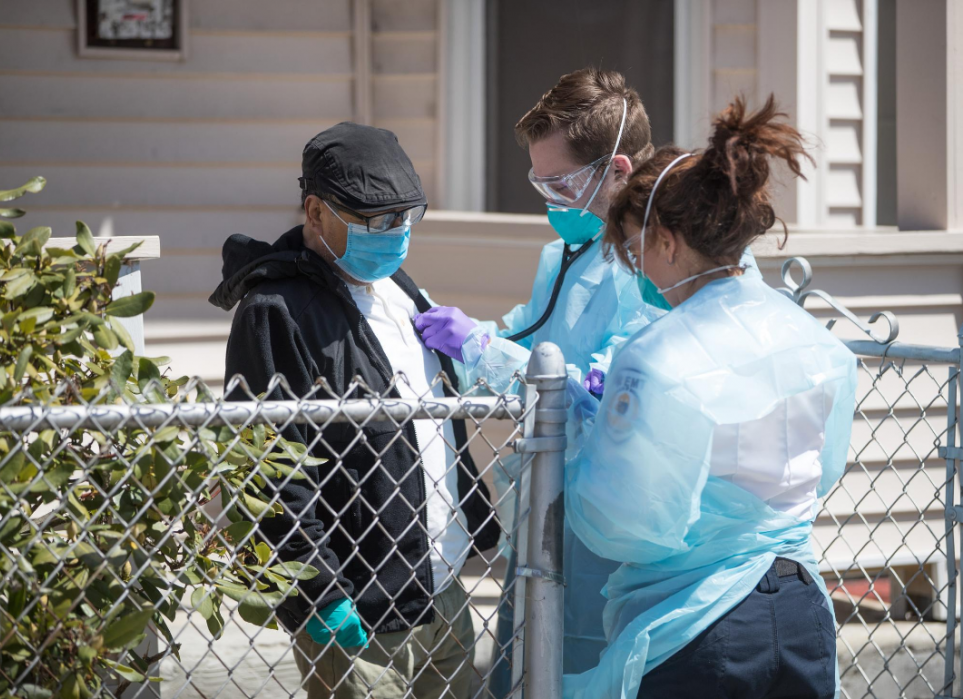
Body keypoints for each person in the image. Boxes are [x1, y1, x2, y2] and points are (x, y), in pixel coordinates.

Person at [562, 97, 857, 699]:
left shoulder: (656, 354)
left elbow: (621, 526)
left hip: (698, 623)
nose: (636, 268)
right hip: (802, 607)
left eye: (634, 249)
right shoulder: (808, 335)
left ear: (667, 242)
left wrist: (587, 437)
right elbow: (823, 470)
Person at [209, 122, 500, 699]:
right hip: (356, 601)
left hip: (439, 581)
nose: (393, 235)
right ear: (315, 213)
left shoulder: (397, 288)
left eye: (404, 219)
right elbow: (267, 464)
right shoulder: (275, 311)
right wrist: (315, 587)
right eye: (373, 221)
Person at [415, 68, 665, 677]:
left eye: (560, 182)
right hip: (550, 499)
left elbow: (599, 395)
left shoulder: (650, 265)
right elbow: (527, 334)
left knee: (586, 660)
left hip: (611, 511)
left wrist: (480, 348)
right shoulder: (566, 254)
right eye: (539, 180)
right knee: (530, 653)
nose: (548, 197)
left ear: (617, 170)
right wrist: (469, 338)